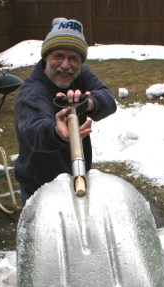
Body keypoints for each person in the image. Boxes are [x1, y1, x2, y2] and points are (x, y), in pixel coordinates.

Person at [14, 18, 117, 206]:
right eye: (59, 56)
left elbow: (108, 99)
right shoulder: (32, 91)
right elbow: (34, 127)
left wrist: (89, 104)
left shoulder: (81, 74)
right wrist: (56, 132)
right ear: (46, 57)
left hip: (75, 183)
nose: (65, 65)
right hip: (40, 191)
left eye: (73, 58)